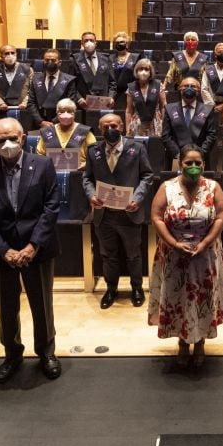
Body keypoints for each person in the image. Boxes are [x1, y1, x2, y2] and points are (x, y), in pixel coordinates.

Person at [0, 118, 62, 384]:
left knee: (42, 305)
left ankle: (46, 353)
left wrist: (33, 245)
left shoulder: (43, 165)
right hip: (2, 252)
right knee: (7, 308)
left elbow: (51, 206)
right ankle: (12, 355)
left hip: (38, 248)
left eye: (12, 138)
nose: (7, 144)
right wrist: (4, 251)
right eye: (1, 140)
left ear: (23, 138)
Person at [149, 145, 223, 367]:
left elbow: (222, 216)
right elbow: (156, 216)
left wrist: (205, 242)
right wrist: (173, 243)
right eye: (188, 163)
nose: (193, 167)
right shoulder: (167, 187)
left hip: (205, 255)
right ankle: (183, 343)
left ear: (204, 164)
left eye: (198, 163)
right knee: (178, 298)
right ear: (180, 164)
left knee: (202, 298)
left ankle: (201, 342)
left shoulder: (213, 187)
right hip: (174, 255)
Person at [83, 114, 156, 309]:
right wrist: (91, 196)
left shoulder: (137, 148)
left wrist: (138, 198)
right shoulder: (93, 151)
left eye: (113, 125)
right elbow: (87, 178)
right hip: (103, 213)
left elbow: (147, 175)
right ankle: (111, 289)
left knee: (133, 254)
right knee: (108, 255)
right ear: (100, 129)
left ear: (122, 126)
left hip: (129, 212)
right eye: (105, 126)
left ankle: (137, 288)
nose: (110, 129)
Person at [161, 76, 219, 167]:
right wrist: (178, 154)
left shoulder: (207, 109)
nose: (189, 88)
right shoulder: (170, 109)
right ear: (180, 89)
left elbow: (211, 135)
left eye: (193, 86)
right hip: (175, 158)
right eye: (185, 86)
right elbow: (165, 135)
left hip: (200, 159)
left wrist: (199, 154)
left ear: (198, 91)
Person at [35, 98, 95, 171]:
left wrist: (85, 165)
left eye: (69, 111)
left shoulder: (85, 132)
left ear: (74, 113)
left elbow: (94, 156)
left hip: (78, 173)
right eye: (62, 111)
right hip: (51, 173)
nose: (66, 114)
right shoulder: (47, 132)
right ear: (57, 113)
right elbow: (40, 155)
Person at [27, 48, 76, 127]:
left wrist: (54, 122)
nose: (50, 62)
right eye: (47, 60)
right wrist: (41, 122)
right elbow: (31, 103)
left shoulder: (69, 80)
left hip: (62, 123)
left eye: (53, 60)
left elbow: (70, 104)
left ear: (59, 63)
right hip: (38, 124)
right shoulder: (35, 79)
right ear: (43, 61)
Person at [0, 45, 33, 117]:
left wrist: (25, 103)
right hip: (2, 110)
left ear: (16, 54)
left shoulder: (28, 69)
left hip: (23, 109)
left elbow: (32, 90)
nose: (10, 55)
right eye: (6, 53)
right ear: (1, 56)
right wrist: (0, 103)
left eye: (12, 53)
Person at [71, 31, 114, 109]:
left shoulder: (106, 59)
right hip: (84, 104)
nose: (89, 42)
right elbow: (72, 84)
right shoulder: (75, 59)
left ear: (96, 43)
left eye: (91, 40)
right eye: (86, 41)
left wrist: (111, 97)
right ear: (82, 44)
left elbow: (112, 82)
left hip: (103, 103)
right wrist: (79, 98)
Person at [125, 58, 167, 137]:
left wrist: (165, 126)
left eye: (146, 69)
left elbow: (163, 107)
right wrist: (127, 129)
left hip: (155, 122)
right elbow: (129, 111)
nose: (143, 72)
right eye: (141, 69)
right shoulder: (131, 87)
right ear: (136, 71)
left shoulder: (158, 85)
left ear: (150, 72)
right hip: (137, 122)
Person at [109, 31, 140, 109]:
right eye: (117, 42)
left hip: (130, 93)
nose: (120, 44)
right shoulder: (110, 58)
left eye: (122, 42)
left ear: (127, 43)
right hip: (114, 94)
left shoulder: (135, 57)